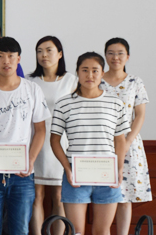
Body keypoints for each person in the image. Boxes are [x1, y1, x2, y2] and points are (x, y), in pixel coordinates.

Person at [0, 37, 49, 235]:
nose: (6, 61)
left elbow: (40, 130)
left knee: (20, 230)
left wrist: (30, 161)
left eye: (11, 56)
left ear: (18, 59)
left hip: (22, 174)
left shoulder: (32, 89)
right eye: (0, 56)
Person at [51, 52, 130, 235]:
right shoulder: (64, 104)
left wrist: (119, 169)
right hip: (75, 174)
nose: (90, 75)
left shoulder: (115, 103)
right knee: (76, 231)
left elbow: (120, 140)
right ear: (77, 72)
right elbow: (54, 140)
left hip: (107, 174)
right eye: (85, 70)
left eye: (95, 70)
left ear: (102, 73)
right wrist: (67, 169)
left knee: (102, 231)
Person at [100, 38, 152, 235]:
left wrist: (128, 141)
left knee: (125, 196)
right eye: (111, 53)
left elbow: (140, 115)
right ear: (105, 55)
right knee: (103, 195)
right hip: (102, 143)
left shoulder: (135, 82)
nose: (115, 57)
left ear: (127, 56)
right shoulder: (97, 79)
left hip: (129, 144)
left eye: (120, 53)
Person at [26, 36, 77, 235]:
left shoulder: (71, 80)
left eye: (49, 50)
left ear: (60, 54)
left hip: (60, 143)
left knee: (58, 196)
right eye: (39, 51)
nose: (44, 55)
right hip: (36, 142)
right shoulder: (29, 81)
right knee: (36, 196)